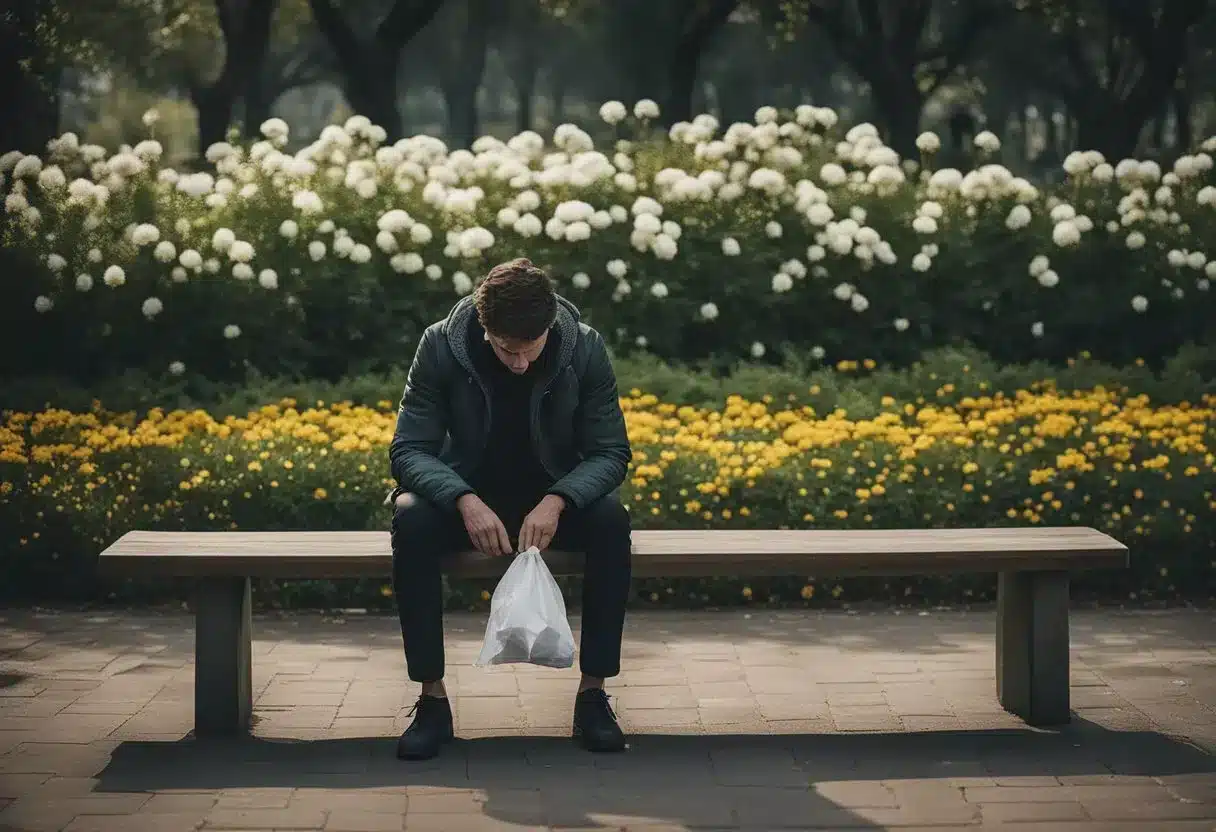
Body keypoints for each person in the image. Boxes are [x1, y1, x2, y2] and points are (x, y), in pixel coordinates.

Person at [387, 257, 634, 760]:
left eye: (530, 349)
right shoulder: (440, 344)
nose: (519, 363)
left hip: (553, 502)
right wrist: (462, 499)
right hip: (468, 500)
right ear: (484, 327)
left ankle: (593, 696)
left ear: (550, 325)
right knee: (410, 518)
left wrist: (561, 498)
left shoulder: (584, 347)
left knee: (611, 520)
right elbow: (408, 448)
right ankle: (432, 701)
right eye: (506, 350)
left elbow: (611, 452)